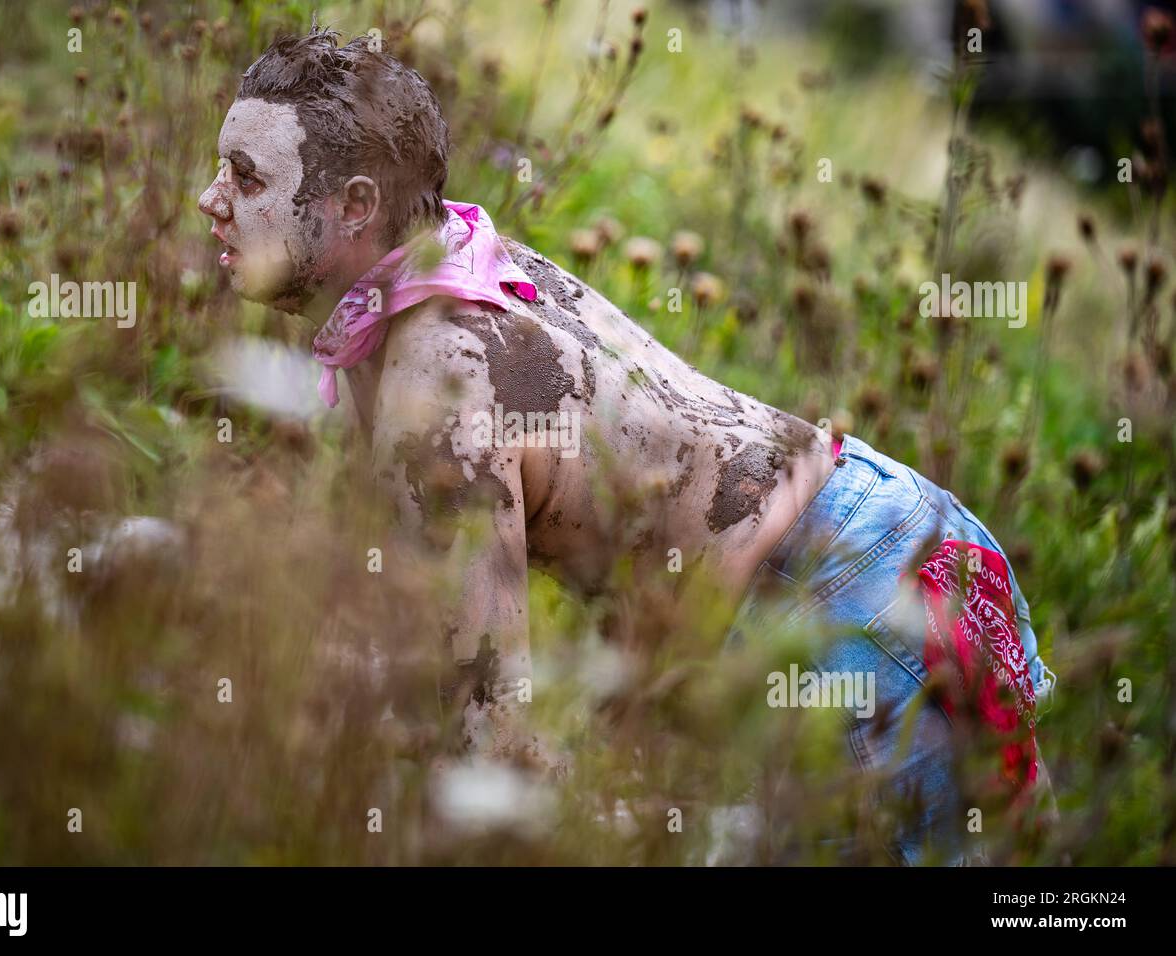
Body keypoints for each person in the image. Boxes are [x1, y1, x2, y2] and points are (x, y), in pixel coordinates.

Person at [197, 29, 1054, 863]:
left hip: (840, 609)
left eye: (245, 176)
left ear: (355, 206)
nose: (211, 198)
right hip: (879, 518)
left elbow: (481, 732)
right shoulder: (444, 257)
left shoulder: (437, 373)